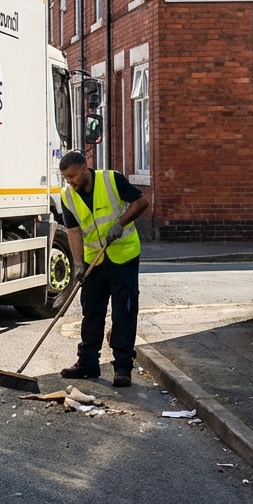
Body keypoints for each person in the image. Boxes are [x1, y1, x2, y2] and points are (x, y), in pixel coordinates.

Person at [56, 150, 149, 388]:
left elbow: (141, 201)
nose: (70, 181)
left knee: (123, 312)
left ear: (85, 168)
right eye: (66, 178)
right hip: (93, 261)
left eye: (73, 176)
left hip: (123, 256)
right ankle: (88, 363)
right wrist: (78, 264)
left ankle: (122, 368)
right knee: (92, 312)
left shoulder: (112, 180)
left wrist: (121, 223)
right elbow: (74, 231)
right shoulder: (68, 196)